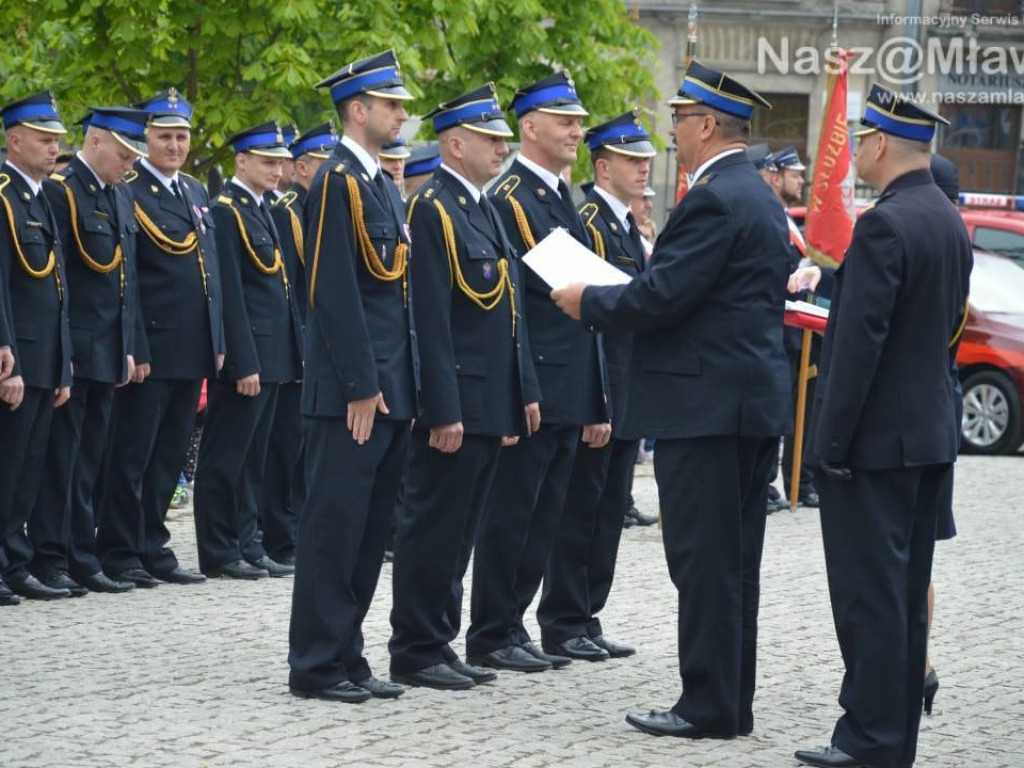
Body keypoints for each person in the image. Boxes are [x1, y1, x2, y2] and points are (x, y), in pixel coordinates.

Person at [551, 60, 791, 738]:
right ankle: (728, 701)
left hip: (707, 409)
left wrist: (585, 300)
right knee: (735, 563)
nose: (672, 131)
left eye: (681, 119)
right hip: (742, 406)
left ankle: (708, 705)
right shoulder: (758, 194)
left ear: (709, 124)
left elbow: (663, 295)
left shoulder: (715, 197)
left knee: (705, 563)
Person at [794, 84, 972, 768]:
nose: (857, 150)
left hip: (873, 446)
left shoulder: (884, 224)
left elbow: (858, 346)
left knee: (869, 599)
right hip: (926, 435)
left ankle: (867, 739)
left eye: (862, 139)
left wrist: (828, 447)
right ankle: (893, 739)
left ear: (879, 145)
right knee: (903, 600)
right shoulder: (947, 220)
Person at [388, 83, 540, 690]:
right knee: (433, 526)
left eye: (504, 138)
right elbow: (430, 318)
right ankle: (415, 647)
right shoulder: (434, 210)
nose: (501, 147)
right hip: (456, 402)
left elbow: (508, 313)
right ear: (455, 143)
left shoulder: (482, 207)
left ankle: (440, 640)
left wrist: (519, 391)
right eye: (490, 138)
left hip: (487, 399)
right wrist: (441, 409)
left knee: (461, 530)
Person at [467, 70, 611, 674]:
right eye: (564, 121)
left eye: (578, 121)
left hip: (568, 382)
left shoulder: (557, 197)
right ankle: (491, 630)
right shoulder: (513, 197)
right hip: (537, 381)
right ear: (530, 126)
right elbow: (553, 290)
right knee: (512, 512)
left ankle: (514, 622)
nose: (577, 130)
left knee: (544, 514)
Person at [288, 49, 417, 704]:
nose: (401, 114)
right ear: (358, 109)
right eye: (391, 104)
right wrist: (360, 384)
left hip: (386, 388)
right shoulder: (336, 181)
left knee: (367, 535)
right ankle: (315, 664)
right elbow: (332, 292)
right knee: (333, 532)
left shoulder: (378, 184)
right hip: (352, 394)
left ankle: (348, 654)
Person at [538, 111, 656, 661]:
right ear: (603, 167)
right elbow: (586, 317)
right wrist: (597, 399)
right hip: (601, 388)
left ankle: (587, 614)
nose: (645, 167)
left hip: (628, 388)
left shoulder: (625, 223)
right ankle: (563, 618)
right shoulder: (587, 219)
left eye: (647, 158)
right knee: (579, 509)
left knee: (608, 509)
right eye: (634, 159)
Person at [96, 88, 224, 588]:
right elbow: (128, 277)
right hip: (152, 345)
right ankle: (121, 548)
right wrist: (135, 346)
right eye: (165, 136)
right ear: (146, 138)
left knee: (170, 455)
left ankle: (154, 544)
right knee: (133, 453)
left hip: (191, 346)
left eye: (181, 136)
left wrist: (216, 338)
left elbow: (207, 270)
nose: (174, 146)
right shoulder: (129, 188)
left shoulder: (193, 191)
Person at [30, 107, 151, 597]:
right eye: (123, 153)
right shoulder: (63, 192)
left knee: (91, 460)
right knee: (63, 460)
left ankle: (82, 554)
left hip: (107, 350)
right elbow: (58, 280)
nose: (129, 164)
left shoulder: (118, 195)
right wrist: (66, 349)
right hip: (75, 349)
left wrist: (130, 345)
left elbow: (126, 281)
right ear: (96, 141)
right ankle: (52, 556)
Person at [192, 121, 303, 580]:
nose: (277, 170)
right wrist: (243, 360)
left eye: (280, 162)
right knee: (226, 458)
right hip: (250, 357)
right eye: (267, 161)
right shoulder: (227, 212)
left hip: (274, 354)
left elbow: (280, 288)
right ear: (241, 161)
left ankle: (249, 541)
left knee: (255, 459)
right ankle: (219, 550)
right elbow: (231, 295)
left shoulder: (263, 208)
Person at [0, 91, 74, 603]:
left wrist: (62, 362)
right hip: (17, 357)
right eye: (45, 140)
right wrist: (6, 354)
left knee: (28, 471)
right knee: (7, 468)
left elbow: (57, 288)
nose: (54, 149)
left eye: (57, 141)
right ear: (14, 139)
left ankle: (14, 561)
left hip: (45, 356)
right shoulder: (4, 196)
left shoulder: (40, 197)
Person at [262, 121, 339, 566]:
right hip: (299, 340)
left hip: (319, 342)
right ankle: (281, 534)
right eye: (324, 162)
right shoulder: (290, 209)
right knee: (286, 447)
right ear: (303, 167)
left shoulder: (322, 205)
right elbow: (294, 284)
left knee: (306, 446)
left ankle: (296, 530)